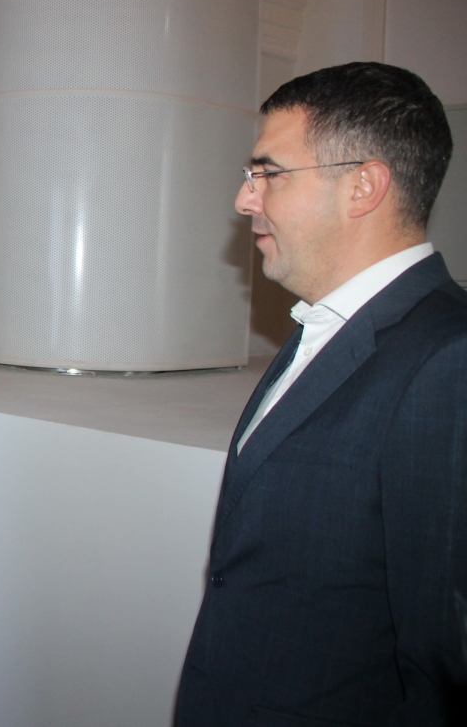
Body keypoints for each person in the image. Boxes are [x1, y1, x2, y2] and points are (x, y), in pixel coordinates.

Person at [176, 62, 467, 724]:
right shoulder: (323, 328)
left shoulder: (449, 360)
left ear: (363, 186)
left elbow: (445, 668)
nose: (244, 199)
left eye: (269, 173)